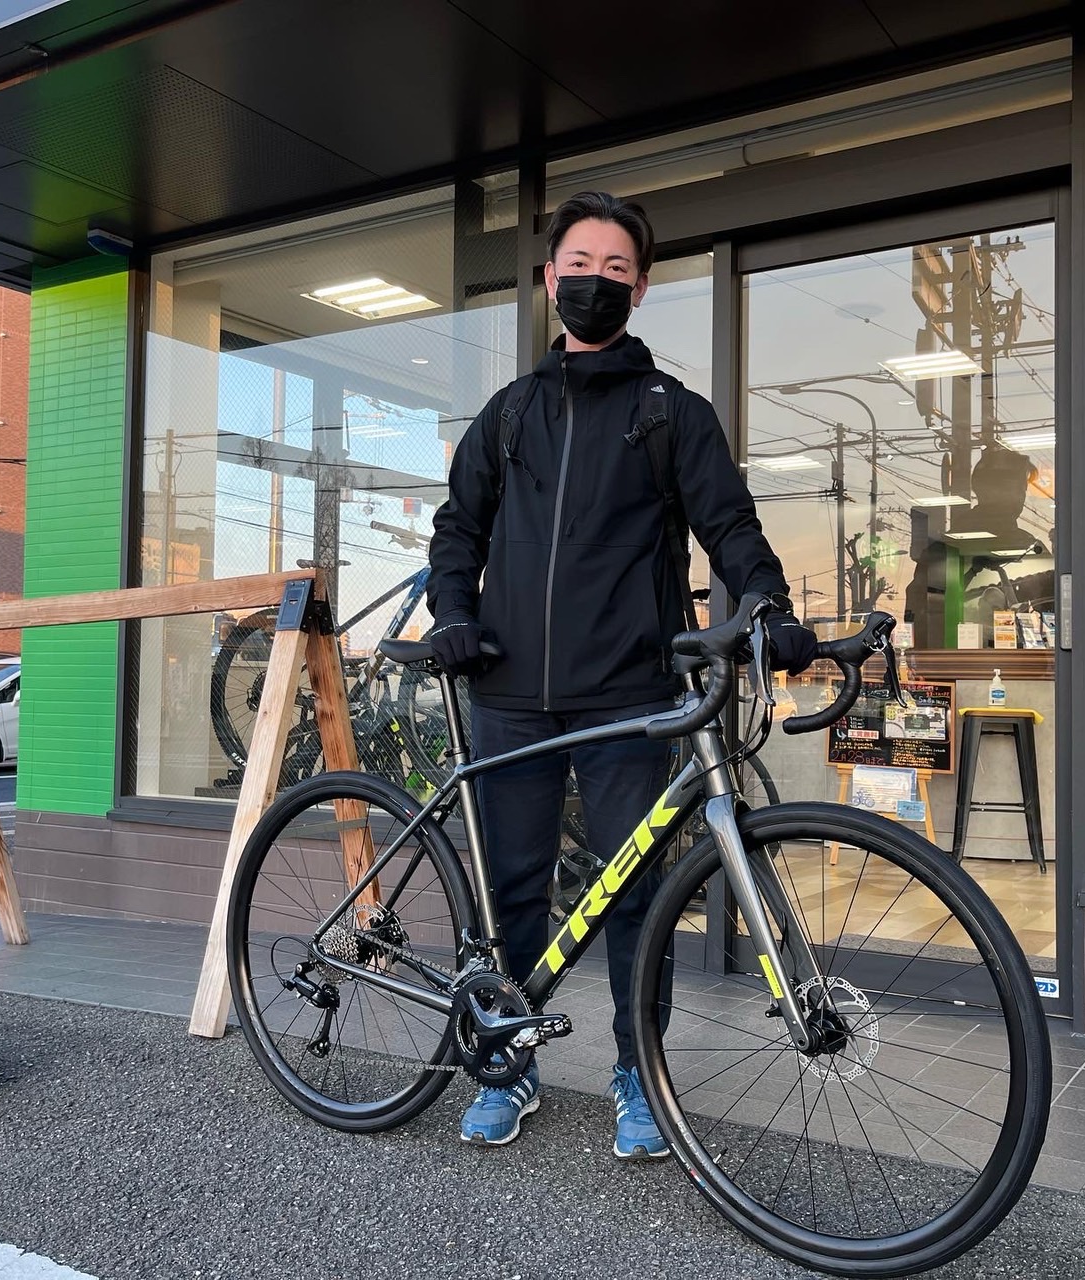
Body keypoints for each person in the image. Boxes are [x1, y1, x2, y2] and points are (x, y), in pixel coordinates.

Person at [426, 190, 816, 1159]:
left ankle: (638, 1073)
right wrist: (455, 615)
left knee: (635, 896)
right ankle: (505, 1062)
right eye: (578, 264)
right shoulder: (509, 413)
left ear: (639, 288)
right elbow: (457, 528)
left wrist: (765, 606)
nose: (592, 281)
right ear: (547, 278)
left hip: (631, 693)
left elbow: (730, 527)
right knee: (512, 888)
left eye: (613, 269)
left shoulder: (670, 413)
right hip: (509, 689)